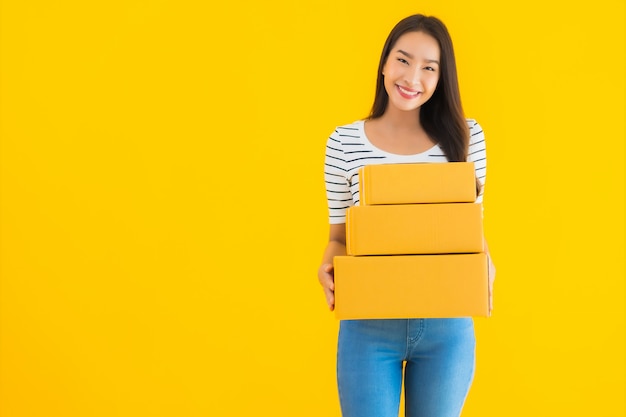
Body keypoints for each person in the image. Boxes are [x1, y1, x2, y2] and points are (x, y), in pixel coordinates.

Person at [318, 14, 496, 417]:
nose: (412, 76)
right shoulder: (344, 142)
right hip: (368, 325)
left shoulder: (467, 138)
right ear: (384, 63)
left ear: (441, 77)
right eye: (403, 60)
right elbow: (338, 238)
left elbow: (468, 230)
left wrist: (486, 265)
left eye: (429, 68)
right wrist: (328, 263)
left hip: (446, 327)